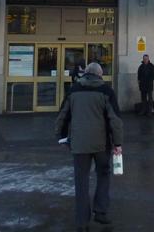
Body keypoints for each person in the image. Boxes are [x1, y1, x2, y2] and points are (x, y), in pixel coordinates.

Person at [55, 62, 123, 232]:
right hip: (102, 144)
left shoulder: (74, 91)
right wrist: (118, 143)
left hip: (79, 144)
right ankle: (100, 211)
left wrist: (62, 137)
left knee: (81, 180)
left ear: (85, 73)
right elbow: (115, 121)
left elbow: (62, 116)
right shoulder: (106, 91)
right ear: (100, 75)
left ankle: (81, 221)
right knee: (104, 174)